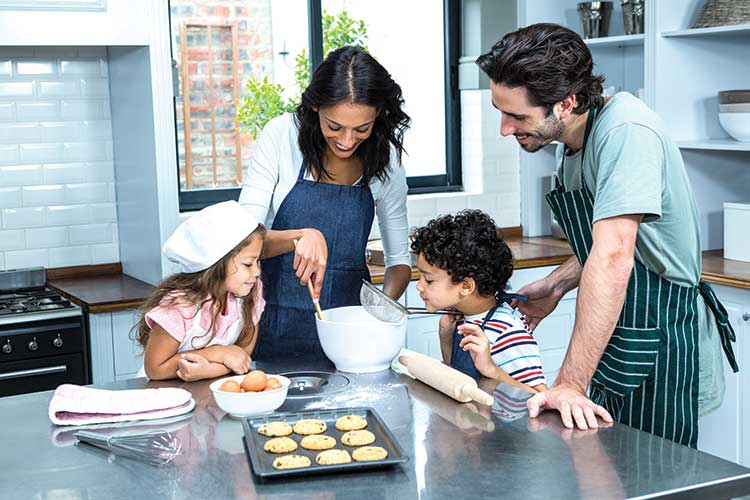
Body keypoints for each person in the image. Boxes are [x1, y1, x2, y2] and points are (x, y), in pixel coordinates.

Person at [475, 23, 738, 447]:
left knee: (658, 477)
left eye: (517, 116)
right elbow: (608, 243)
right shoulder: (574, 141)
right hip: (621, 331)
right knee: (608, 468)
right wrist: (558, 284)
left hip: (659, 335)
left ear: (566, 103)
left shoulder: (625, 132)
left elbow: (616, 255)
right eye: (501, 112)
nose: (506, 128)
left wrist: (569, 384)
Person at [239, 45, 413, 362]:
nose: (347, 141)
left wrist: (375, 315)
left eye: (362, 128)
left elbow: (399, 262)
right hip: (271, 328)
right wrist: (300, 236)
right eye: (334, 126)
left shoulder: (387, 162)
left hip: (349, 340)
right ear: (316, 107)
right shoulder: (281, 137)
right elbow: (243, 242)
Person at [410, 210, 548, 393]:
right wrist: (446, 337)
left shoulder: (507, 332)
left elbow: (540, 396)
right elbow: (458, 380)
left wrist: (491, 369)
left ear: (466, 286)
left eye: (428, 280)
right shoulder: (464, 318)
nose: (419, 286)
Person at [134, 201, 266, 381]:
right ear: (217, 264)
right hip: (164, 396)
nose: (257, 272)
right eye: (248, 264)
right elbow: (155, 368)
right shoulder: (180, 306)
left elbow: (241, 357)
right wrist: (217, 353)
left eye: (258, 261)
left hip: (209, 393)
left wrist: (209, 371)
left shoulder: (250, 293)